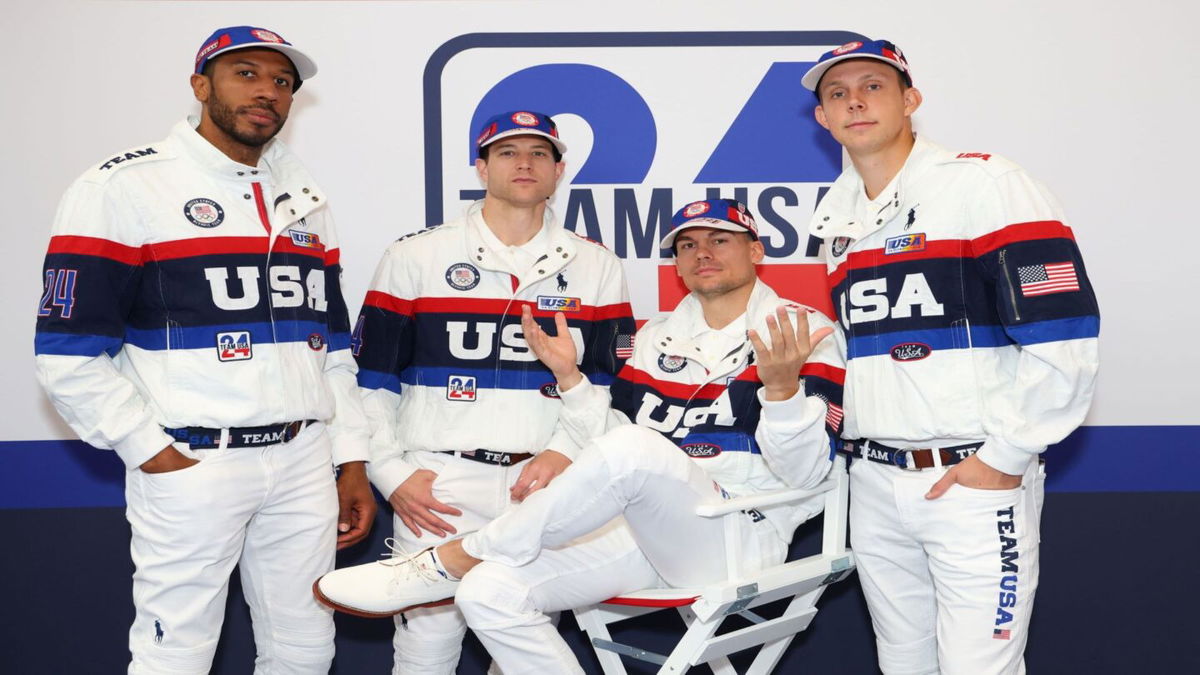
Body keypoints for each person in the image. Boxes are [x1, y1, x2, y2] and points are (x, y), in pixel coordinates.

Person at [315, 198, 846, 673]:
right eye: (688, 244)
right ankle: (470, 565)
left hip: (737, 532)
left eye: (719, 239)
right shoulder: (656, 337)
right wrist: (570, 378)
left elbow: (807, 473)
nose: (702, 252)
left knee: (639, 449)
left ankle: (456, 556)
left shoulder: (803, 330)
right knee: (488, 593)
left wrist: (781, 394)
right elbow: (611, 442)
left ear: (755, 251)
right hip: (644, 532)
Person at [33, 26, 374, 674]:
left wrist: (350, 457)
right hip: (194, 459)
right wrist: (150, 451)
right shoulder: (123, 187)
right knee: (176, 654)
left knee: (305, 647)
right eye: (246, 74)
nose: (267, 92)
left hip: (304, 458)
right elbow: (66, 349)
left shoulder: (304, 199)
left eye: (281, 83)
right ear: (200, 86)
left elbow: (330, 347)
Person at [800, 39, 1101, 674]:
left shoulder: (986, 182)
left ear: (910, 99)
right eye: (836, 93)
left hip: (971, 476)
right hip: (875, 482)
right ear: (823, 119)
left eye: (873, 86)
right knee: (904, 666)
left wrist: (1007, 455)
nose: (854, 100)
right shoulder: (835, 214)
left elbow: (1064, 331)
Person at [340, 110, 636, 673]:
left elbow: (609, 387)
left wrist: (564, 454)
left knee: (523, 640)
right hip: (441, 483)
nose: (524, 163)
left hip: (544, 483)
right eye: (507, 152)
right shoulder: (415, 255)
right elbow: (371, 379)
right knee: (426, 645)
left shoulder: (596, 265)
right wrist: (390, 472)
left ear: (558, 171)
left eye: (539, 153)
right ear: (481, 167)